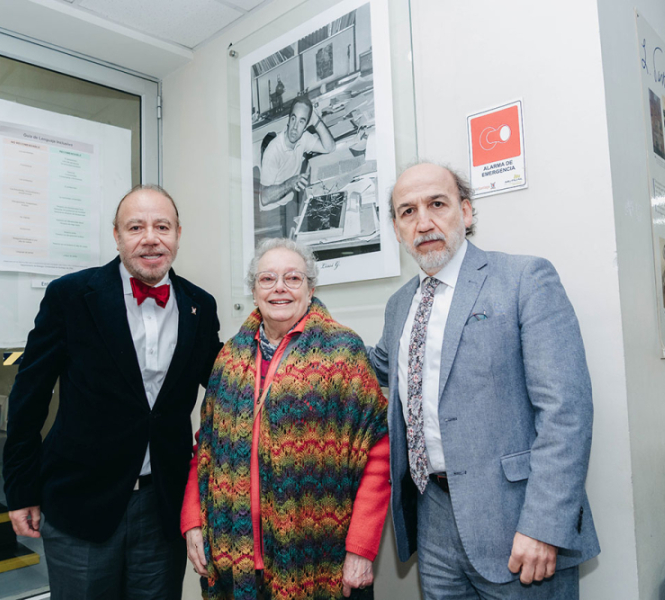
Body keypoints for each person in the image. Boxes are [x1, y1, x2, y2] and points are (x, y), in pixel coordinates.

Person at [368, 162, 600, 598]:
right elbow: (378, 365)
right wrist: (304, 319)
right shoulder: (399, 305)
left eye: (437, 204)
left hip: (517, 523)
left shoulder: (524, 279)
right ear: (397, 230)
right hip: (433, 522)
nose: (424, 222)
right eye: (408, 212)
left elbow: (566, 412)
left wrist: (544, 526)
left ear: (466, 211)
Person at [2, 184, 222, 599]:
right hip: (81, 504)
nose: (151, 238)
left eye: (162, 226)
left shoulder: (200, 304)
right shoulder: (70, 296)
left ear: (178, 234)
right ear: (117, 236)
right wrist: (21, 488)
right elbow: (29, 397)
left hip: (162, 506)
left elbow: (225, 381)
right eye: (136, 227)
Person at [181, 239, 390, 600]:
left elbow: (378, 452)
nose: (279, 287)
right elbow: (207, 448)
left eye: (293, 278)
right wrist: (192, 520)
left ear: (311, 289)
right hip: (235, 558)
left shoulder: (345, 353)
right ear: (254, 291)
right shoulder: (229, 357)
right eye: (267, 279)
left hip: (320, 556)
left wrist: (361, 547)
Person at [259, 96, 336, 219]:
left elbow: (329, 147)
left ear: (306, 126)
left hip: (288, 203)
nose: (295, 127)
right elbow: (264, 198)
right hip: (271, 213)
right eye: (293, 118)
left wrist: (316, 120)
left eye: (301, 121)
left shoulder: (303, 138)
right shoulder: (273, 151)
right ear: (289, 120)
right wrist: (290, 183)